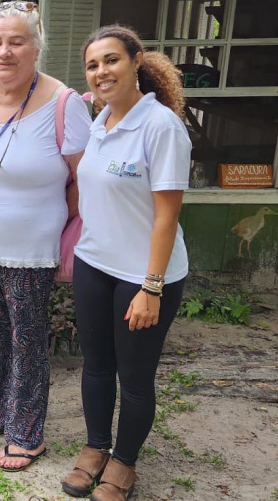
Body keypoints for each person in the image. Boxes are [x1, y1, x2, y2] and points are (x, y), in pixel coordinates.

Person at [0, 0, 92, 470]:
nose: (4, 51)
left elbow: (84, 183)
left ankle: (27, 434)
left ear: (36, 47)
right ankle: (0, 412)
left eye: (17, 41)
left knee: (26, 339)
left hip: (29, 250)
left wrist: (49, 221)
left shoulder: (64, 103)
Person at [62, 25, 190, 501]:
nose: (101, 72)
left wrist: (151, 287)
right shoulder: (102, 121)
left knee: (134, 378)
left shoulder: (161, 127)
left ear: (138, 61)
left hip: (145, 274)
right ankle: (96, 448)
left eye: (112, 60)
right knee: (96, 366)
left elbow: (166, 216)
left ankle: (124, 463)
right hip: (95, 263)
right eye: (93, 65)